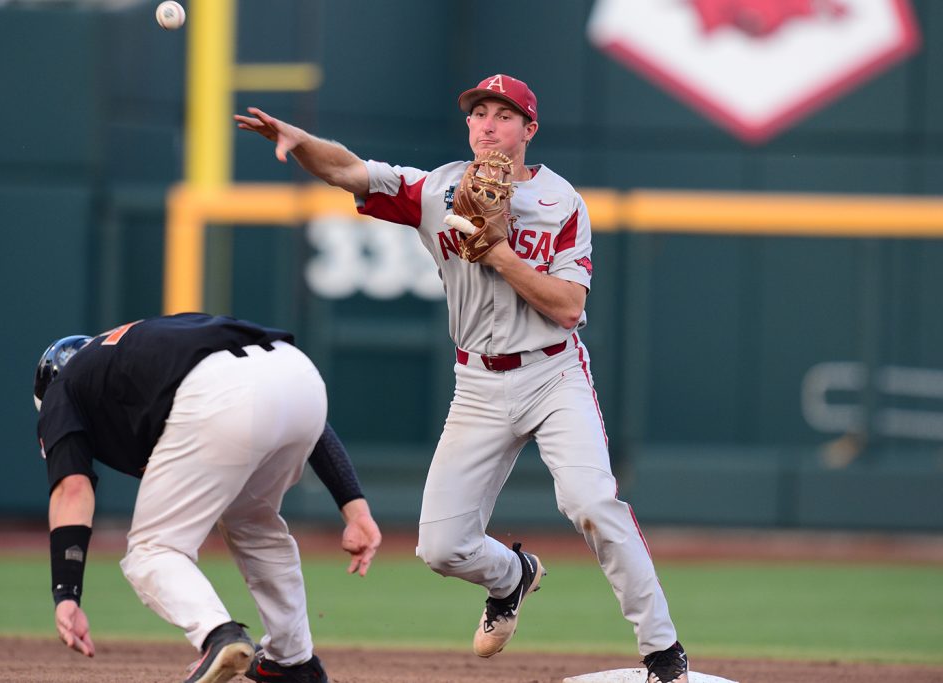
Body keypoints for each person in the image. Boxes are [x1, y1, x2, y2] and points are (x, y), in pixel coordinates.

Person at [235, 73, 690, 683]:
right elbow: (351, 171)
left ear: (529, 130)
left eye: (503, 115)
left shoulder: (561, 203)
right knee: (440, 548)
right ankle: (512, 577)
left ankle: (663, 652)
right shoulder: (438, 190)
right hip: (477, 382)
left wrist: (500, 252)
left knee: (591, 503)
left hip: (553, 373)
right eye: (478, 114)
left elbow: (569, 307)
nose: (486, 124)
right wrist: (300, 138)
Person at [34, 312, 382, 683]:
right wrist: (355, 510)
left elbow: (72, 489)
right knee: (252, 522)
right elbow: (287, 406)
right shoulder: (134, 351)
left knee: (152, 550)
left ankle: (219, 634)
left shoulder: (63, 386)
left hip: (219, 394)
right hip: (300, 380)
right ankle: (293, 659)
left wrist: (66, 594)